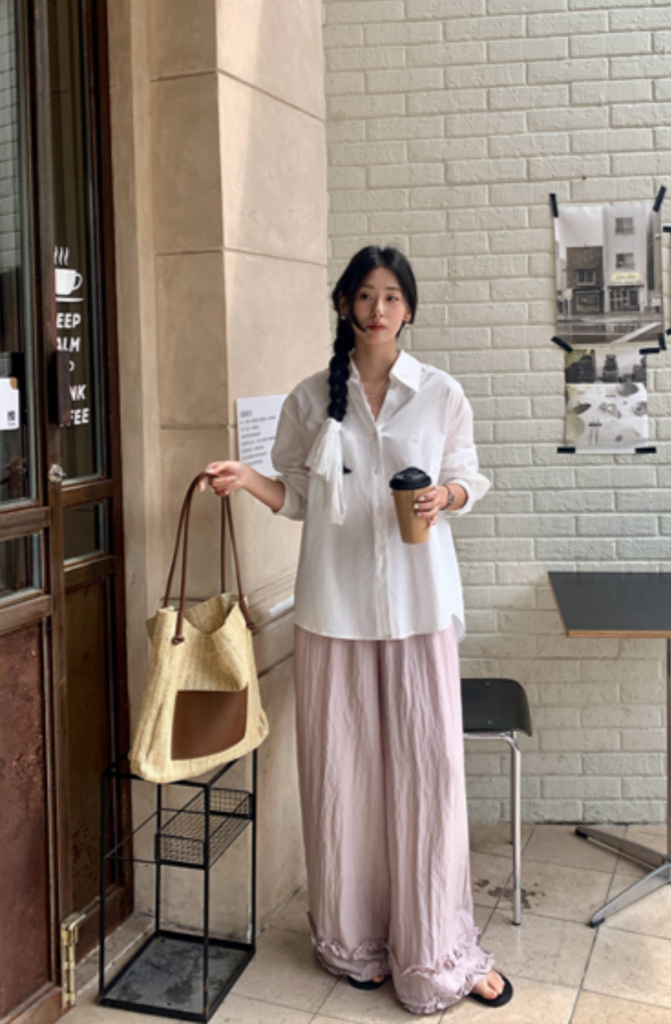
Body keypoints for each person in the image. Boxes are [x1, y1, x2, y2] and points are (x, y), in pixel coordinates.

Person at [202, 246, 512, 1015]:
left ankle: (437, 949)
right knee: (343, 780)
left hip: (418, 608)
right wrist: (247, 481)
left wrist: (448, 496)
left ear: (410, 309)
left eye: (392, 296)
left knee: (428, 778)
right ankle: (353, 941)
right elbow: (299, 496)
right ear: (344, 304)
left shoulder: (439, 393)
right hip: (333, 611)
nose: (378, 309)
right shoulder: (312, 398)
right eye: (365, 295)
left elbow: (472, 474)